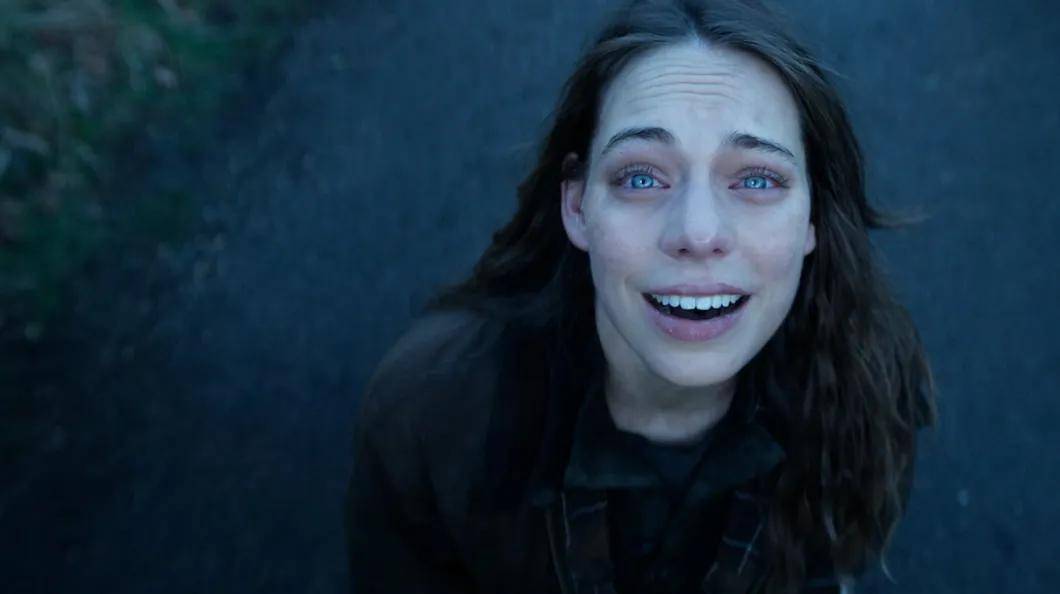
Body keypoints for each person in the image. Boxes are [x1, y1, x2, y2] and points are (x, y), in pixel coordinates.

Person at [345, 0, 938, 592]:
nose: (698, 233)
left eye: (757, 179)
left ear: (813, 217)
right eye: (641, 177)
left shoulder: (871, 388)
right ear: (577, 206)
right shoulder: (429, 410)